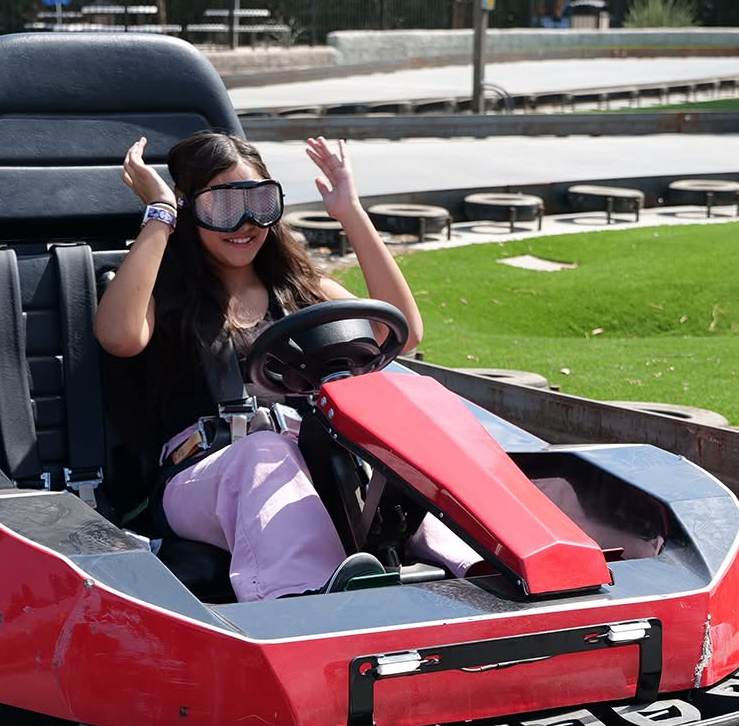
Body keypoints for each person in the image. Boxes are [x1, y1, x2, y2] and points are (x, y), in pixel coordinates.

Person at [96, 130, 479, 601]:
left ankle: (479, 563)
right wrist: (159, 213)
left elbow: (401, 331)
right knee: (265, 452)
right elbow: (118, 336)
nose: (246, 222)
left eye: (259, 200)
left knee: (393, 439)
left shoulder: (294, 288)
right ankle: (304, 596)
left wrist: (349, 212)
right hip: (197, 477)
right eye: (221, 206)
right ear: (191, 209)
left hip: (304, 459)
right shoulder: (164, 293)